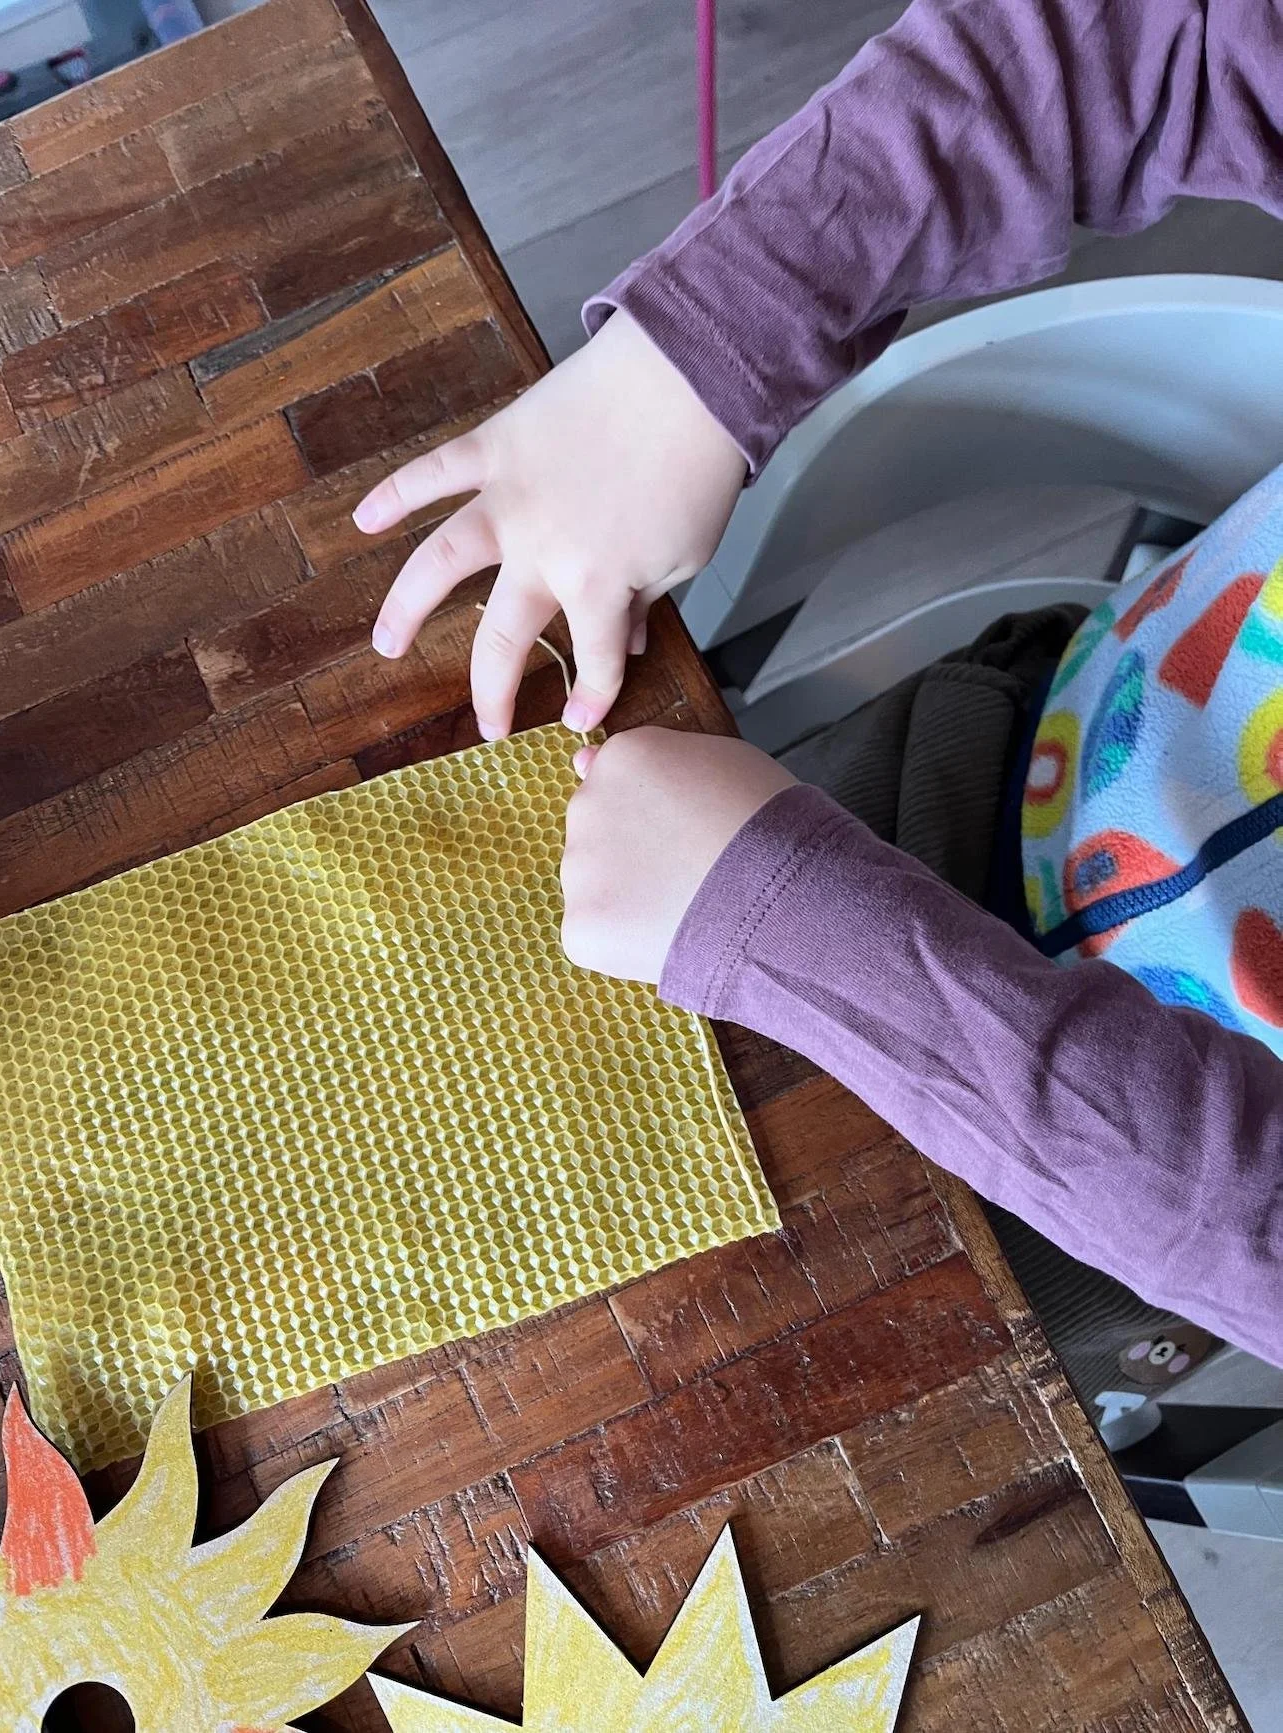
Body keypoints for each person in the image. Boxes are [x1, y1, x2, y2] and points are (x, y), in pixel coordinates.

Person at [353, 0, 1283, 1364]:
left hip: (1082, 1206)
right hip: (1007, 760)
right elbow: (1139, 38)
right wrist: (684, 363)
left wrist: (798, 931)